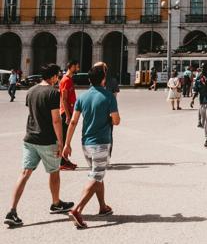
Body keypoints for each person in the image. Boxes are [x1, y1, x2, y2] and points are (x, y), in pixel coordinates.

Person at [4, 64, 74, 228]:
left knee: (24, 173)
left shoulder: (31, 91)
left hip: (30, 139)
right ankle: (56, 203)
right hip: (47, 140)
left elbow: (33, 113)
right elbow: (56, 119)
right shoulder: (52, 92)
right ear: (53, 77)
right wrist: (61, 142)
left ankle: (12, 211)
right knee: (54, 172)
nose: (58, 78)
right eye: (57, 75)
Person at [63, 64, 120, 229]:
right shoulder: (109, 96)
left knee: (97, 174)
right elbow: (116, 120)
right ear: (103, 79)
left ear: (89, 79)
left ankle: (102, 206)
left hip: (85, 144)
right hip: (101, 143)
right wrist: (110, 119)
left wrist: (67, 144)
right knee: (96, 176)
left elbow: (73, 121)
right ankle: (77, 210)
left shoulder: (82, 97)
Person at [59, 60, 79, 171]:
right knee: (64, 138)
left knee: (66, 138)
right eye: (76, 67)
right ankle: (62, 162)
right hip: (65, 113)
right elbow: (64, 99)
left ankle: (65, 160)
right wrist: (67, 115)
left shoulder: (69, 79)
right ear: (71, 67)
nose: (78, 69)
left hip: (69, 111)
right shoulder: (66, 80)